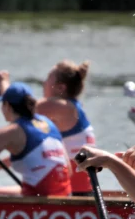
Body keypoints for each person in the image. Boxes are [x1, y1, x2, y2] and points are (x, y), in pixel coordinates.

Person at [0, 74, 71, 197]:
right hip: (65, 195)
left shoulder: (12, 131)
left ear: (7, 106)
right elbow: (67, 168)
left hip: (41, 202)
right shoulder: (48, 124)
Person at [36, 60, 95, 195]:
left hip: (72, 195)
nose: (44, 83)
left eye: (48, 79)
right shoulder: (74, 108)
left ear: (61, 88)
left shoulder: (63, 107)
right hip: (83, 192)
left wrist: (4, 82)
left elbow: (19, 108)